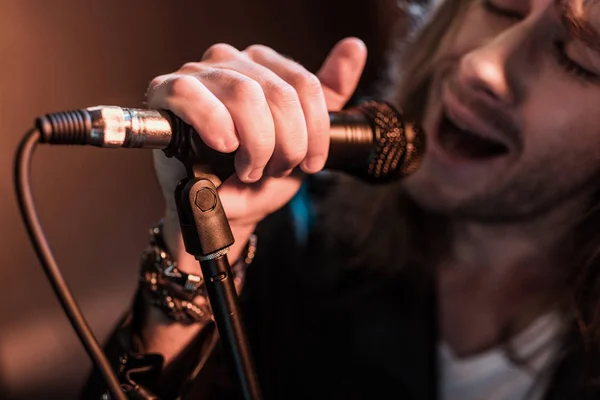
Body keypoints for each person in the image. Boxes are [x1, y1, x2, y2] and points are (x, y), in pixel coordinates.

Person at [83, 0, 600, 398]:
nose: (480, 67)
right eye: (499, 5)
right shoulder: (299, 235)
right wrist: (191, 262)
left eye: (577, 57)